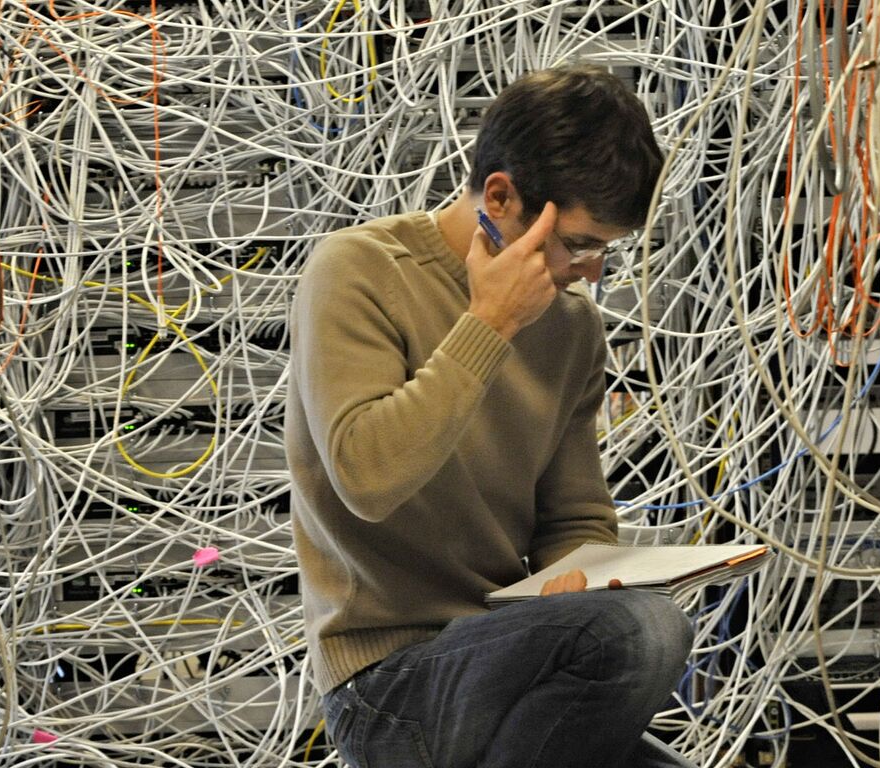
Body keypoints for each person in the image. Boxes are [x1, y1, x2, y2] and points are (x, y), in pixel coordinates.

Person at [284, 65, 697, 768]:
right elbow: (367, 477)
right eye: (579, 243)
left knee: (638, 628)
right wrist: (489, 324)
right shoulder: (357, 271)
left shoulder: (571, 329)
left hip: (516, 658)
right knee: (647, 634)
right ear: (500, 197)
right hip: (388, 683)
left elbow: (572, 518)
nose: (592, 271)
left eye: (606, 250)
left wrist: (582, 576)